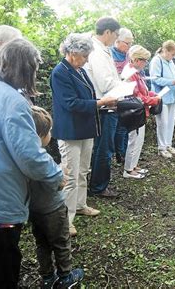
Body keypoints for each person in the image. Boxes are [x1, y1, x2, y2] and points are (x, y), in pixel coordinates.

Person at [0, 38, 63, 288]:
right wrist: (55, 174)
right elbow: (30, 157)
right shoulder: (12, 102)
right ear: (25, 68)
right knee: (3, 268)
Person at [51, 33, 118, 235]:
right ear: (72, 53)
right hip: (70, 131)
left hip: (85, 129)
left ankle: (80, 205)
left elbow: (88, 94)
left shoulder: (79, 70)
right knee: (70, 175)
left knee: (82, 171)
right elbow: (70, 103)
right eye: (85, 55)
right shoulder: (60, 72)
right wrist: (101, 103)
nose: (87, 59)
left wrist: (103, 100)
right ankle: (65, 218)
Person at [29, 106, 84, 289]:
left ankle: (47, 277)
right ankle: (66, 276)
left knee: (41, 243)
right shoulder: (42, 158)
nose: (51, 134)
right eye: (49, 131)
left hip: (34, 210)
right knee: (61, 242)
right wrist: (63, 172)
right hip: (53, 209)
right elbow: (57, 182)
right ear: (41, 135)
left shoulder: (23, 157)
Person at [84, 17, 126, 197]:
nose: (116, 38)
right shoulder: (97, 52)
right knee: (104, 148)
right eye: (116, 34)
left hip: (107, 103)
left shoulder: (103, 50)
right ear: (107, 32)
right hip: (105, 105)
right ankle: (99, 187)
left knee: (103, 147)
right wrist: (123, 87)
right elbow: (105, 82)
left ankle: (97, 183)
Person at [121, 45, 161, 178]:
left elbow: (142, 91)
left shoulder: (136, 72)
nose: (146, 63)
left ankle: (134, 165)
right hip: (134, 112)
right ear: (137, 60)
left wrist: (151, 94)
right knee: (134, 140)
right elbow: (136, 96)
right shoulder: (130, 73)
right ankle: (128, 170)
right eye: (145, 60)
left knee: (139, 140)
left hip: (140, 111)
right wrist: (153, 100)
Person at [149, 40, 175, 158]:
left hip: (173, 95)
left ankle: (168, 144)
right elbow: (155, 79)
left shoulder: (171, 62)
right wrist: (171, 82)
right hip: (161, 96)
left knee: (171, 121)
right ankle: (161, 147)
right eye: (172, 54)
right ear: (165, 50)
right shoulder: (156, 61)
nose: (173, 57)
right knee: (163, 122)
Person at [112, 28, 134, 164]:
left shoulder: (128, 55)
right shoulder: (109, 54)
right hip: (114, 95)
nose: (129, 46)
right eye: (127, 43)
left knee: (127, 124)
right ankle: (119, 153)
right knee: (119, 125)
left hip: (128, 93)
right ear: (117, 41)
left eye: (131, 43)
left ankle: (125, 150)